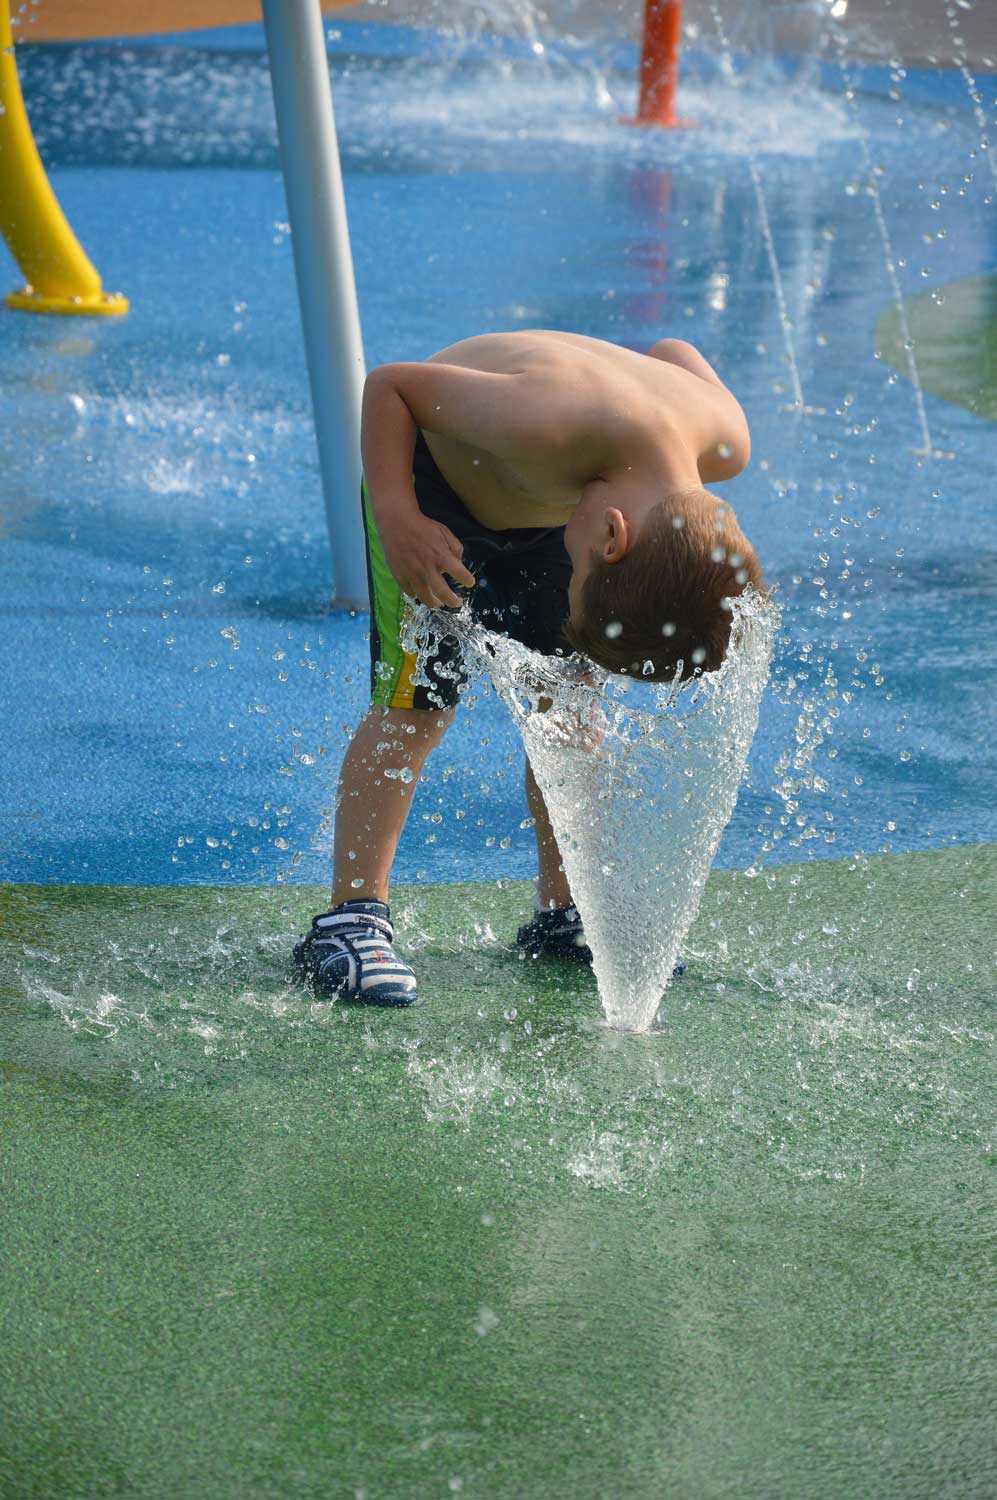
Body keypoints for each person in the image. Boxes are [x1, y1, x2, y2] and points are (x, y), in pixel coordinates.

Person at [293, 330, 762, 1005]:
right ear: (611, 538)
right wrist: (397, 515)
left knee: (569, 703)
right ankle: (350, 920)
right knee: (417, 708)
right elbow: (391, 384)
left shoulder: (722, 443)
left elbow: (672, 350)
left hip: (556, 502)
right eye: (581, 589)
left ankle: (564, 909)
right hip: (433, 499)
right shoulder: (543, 419)